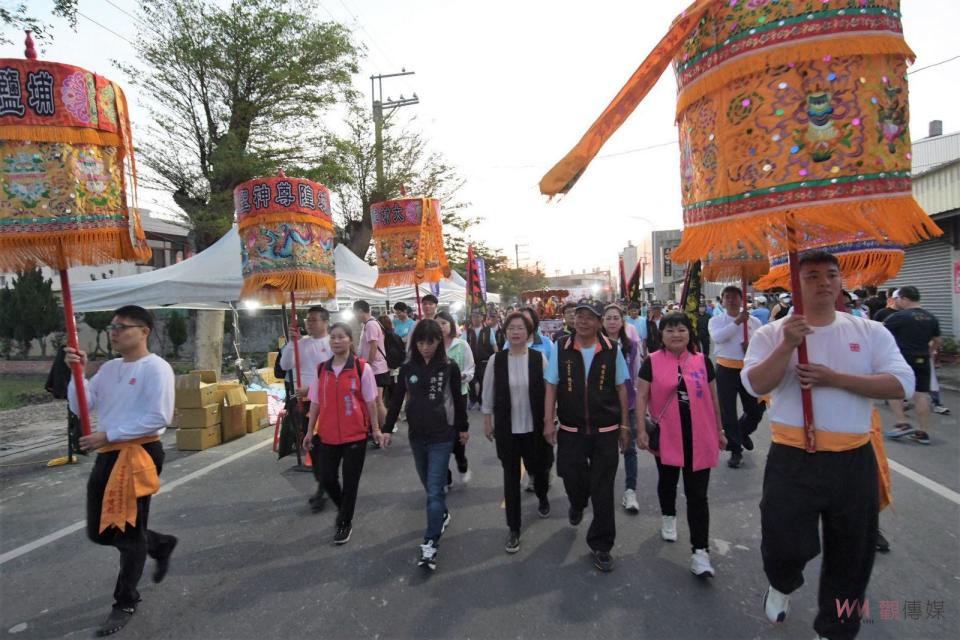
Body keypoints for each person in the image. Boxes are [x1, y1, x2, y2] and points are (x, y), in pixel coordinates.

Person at [742, 251, 914, 640]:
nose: (823, 283)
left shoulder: (870, 331)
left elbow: (903, 384)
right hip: (792, 457)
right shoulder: (771, 333)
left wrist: (834, 378)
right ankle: (783, 583)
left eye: (831, 275)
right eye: (813, 275)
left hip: (853, 459)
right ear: (795, 284)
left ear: (841, 281)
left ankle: (836, 630)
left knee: (853, 556)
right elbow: (754, 385)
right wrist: (787, 345)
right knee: (784, 543)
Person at [65, 305, 178, 637]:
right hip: (109, 452)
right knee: (99, 530)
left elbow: (159, 417)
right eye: (112, 326)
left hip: (137, 453)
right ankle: (158, 543)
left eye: (122, 326)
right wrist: (79, 375)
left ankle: (125, 600)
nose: (114, 332)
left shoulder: (156, 368)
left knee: (128, 533)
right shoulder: (111, 368)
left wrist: (107, 435)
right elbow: (81, 405)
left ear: (143, 331)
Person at [636, 312, 725, 577]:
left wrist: (719, 429)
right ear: (661, 336)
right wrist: (641, 429)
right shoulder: (651, 362)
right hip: (667, 436)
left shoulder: (702, 362)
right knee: (667, 482)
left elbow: (713, 398)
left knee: (698, 496)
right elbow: (641, 397)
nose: (676, 335)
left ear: (690, 333)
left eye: (681, 330)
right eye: (670, 330)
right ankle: (668, 516)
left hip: (701, 436)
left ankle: (700, 552)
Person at [543, 302, 630, 573]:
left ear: (599, 321)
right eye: (579, 316)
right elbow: (551, 386)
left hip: (605, 431)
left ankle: (602, 545)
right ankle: (577, 503)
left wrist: (625, 426)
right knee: (571, 476)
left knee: (603, 489)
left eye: (589, 317)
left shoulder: (612, 350)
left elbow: (621, 388)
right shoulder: (561, 348)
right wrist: (548, 421)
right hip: (571, 430)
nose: (582, 321)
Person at [383, 319, 469, 571]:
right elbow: (396, 399)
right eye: (420, 342)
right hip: (417, 436)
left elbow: (457, 399)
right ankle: (441, 513)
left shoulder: (449, 367)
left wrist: (462, 428)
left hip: (442, 436)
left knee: (434, 490)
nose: (425, 347)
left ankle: (430, 544)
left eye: (430, 342)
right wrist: (387, 429)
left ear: (439, 342)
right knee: (427, 485)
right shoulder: (408, 367)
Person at [301, 323, 387, 545]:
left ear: (350, 340)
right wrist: (310, 430)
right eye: (333, 337)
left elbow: (370, 401)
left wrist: (375, 429)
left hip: (355, 436)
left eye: (341, 337)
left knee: (350, 483)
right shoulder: (322, 370)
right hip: (328, 435)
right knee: (327, 479)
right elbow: (316, 401)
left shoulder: (361, 368)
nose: (336, 341)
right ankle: (344, 509)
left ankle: (344, 522)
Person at [482, 312, 552, 553]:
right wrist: (487, 419)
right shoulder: (496, 360)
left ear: (529, 332)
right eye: (511, 327)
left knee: (539, 469)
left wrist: (549, 421)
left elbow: (548, 392)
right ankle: (514, 528)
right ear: (505, 331)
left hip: (534, 428)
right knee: (510, 478)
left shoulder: (538, 358)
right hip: (507, 428)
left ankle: (542, 496)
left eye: (520, 327)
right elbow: (488, 391)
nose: (515, 331)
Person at [279, 306, 333, 509]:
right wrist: (291, 344)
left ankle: (327, 483)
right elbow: (284, 365)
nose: (308, 323)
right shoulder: (300, 344)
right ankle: (323, 484)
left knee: (328, 447)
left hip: (326, 401)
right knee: (314, 446)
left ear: (325, 322)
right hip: (305, 402)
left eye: (313, 320)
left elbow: (333, 377)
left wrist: (311, 389)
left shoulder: (332, 343)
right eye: (307, 320)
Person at [709, 286, 764, 469]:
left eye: (735, 297)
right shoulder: (716, 321)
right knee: (728, 411)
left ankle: (742, 431)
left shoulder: (754, 321)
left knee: (755, 410)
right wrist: (737, 322)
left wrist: (752, 346)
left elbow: (763, 343)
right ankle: (735, 450)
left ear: (742, 299)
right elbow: (718, 338)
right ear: (722, 301)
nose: (731, 300)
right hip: (726, 368)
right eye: (727, 297)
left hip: (748, 369)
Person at [883, 285, 941, 445]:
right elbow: (937, 340)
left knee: (892, 391)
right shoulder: (931, 317)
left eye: (898, 299)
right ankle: (923, 432)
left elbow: (880, 333)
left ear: (905, 299)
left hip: (902, 359)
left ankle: (902, 423)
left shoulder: (899, 317)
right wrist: (930, 351)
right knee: (921, 395)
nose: (897, 302)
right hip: (923, 358)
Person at [600, 304, 642, 514]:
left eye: (616, 318)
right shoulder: (596, 344)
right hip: (603, 404)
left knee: (629, 447)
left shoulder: (631, 345)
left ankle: (630, 491)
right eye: (608, 318)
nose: (612, 322)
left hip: (628, 403)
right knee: (604, 450)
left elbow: (636, 373)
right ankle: (602, 491)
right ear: (602, 321)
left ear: (622, 321)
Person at [436, 311, 476, 488]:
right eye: (437, 324)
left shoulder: (462, 345)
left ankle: (461, 462)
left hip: (458, 394)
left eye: (444, 323)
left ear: (451, 325)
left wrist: (460, 377)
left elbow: (470, 369)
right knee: (439, 435)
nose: (441, 327)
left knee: (458, 433)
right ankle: (445, 475)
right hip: (437, 397)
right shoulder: (431, 347)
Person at [353, 300, 390, 429]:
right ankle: (381, 427)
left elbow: (373, 346)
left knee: (377, 402)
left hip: (376, 369)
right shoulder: (370, 324)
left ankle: (385, 429)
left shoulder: (371, 325)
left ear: (359, 311)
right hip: (375, 368)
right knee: (376, 401)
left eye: (355, 313)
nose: (355, 316)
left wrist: (368, 364)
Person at [466, 309, 498, 409]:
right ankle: (472, 399)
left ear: (482, 317)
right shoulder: (468, 331)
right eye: (473, 316)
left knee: (483, 381)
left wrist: (497, 358)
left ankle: (481, 400)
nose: (475, 318)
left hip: (485, 361)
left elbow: (494, 344)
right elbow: (462, 345)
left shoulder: (488, 330)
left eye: (477, 316)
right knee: (470, 381)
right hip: (471, 361)